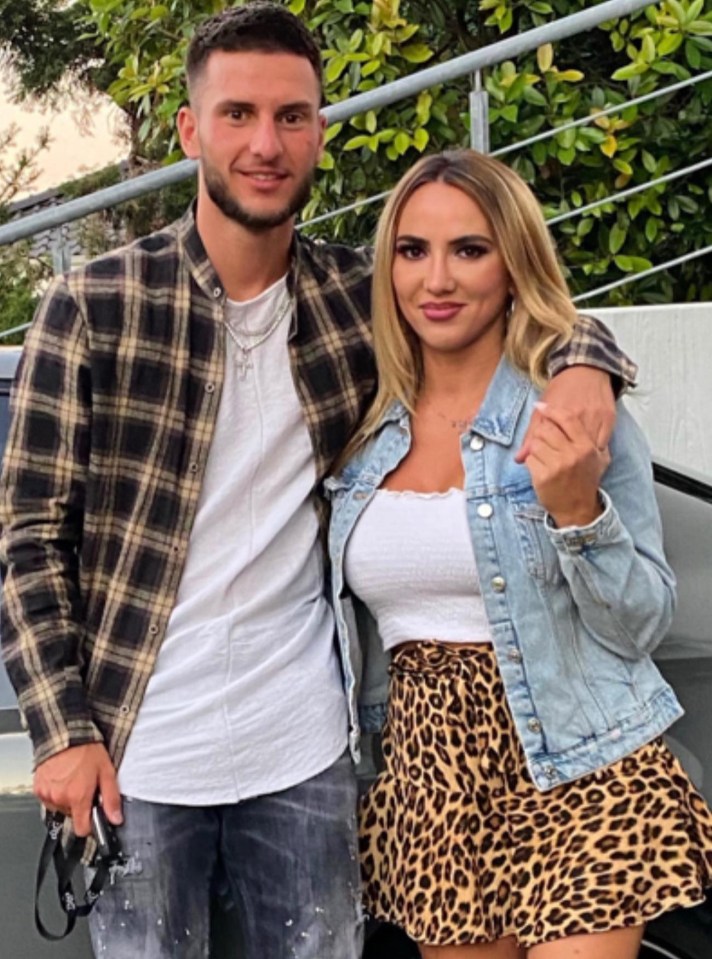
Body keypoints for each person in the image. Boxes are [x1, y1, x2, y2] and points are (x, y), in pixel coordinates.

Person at [0, 4, 635, 958]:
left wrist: (591, 361)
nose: (266, 142)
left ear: (320, 130)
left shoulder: (356, 299)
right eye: (239, 115)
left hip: (307, 754)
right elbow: (28, 538)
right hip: (143, 754)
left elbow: (518, 306)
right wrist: (60, 731)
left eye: (292, 116)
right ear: (190, 130)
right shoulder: (94, 305)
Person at [326, 148, 712, 959]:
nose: (438, 279)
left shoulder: (569, 417)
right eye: (413, 250)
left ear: (513, 266)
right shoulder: (361, 429)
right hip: (431, 781)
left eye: (469, 249)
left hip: (579, 765)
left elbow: (643, 620)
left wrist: (577, 512)